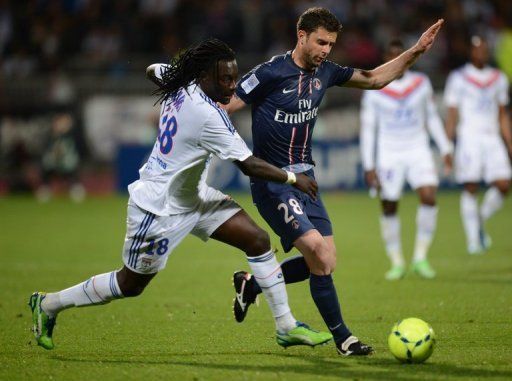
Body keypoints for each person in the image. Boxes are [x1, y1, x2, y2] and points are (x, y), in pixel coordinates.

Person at [29, 38, 332, 350]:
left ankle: (286, 326)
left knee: (257, 240)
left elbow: (152, 69)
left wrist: (177, 75)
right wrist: (294, 178)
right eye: (224, 79)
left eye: (234, 77)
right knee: (129, 284)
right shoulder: (208, 116)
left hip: (194, 197)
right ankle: (49, 303)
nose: (232, 86)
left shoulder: (184, 84)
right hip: (158, 208)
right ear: (203, 77)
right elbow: (250, 165)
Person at [224, 7, 443, 356]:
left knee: (324, 263)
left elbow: (373, 79)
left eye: (331, 44)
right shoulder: (269, 73)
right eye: (321, 42)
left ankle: (251, 287)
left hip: (306, 179)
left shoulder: (326, 72)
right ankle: (344, 338)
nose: (326, 50)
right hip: (275, 179)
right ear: (302, 36)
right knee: (319, 251)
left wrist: (415, 52)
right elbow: (225, 106)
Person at [359, 39, 453, 281]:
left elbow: (431, 117)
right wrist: (369, 165)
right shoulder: (374, 89)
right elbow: (368, 130)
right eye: (392, 57)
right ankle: (397, 261)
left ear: (407, 58)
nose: (398, 62)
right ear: (386, 60)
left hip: (417, 149)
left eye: (401, 56)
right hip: (389, 153)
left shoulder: (421, 83)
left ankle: (420, 257)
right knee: (389, 204)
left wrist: (444, 146)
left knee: (429, 196)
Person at [444, 36, 512, 255]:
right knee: (471, 186)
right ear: (471, 52)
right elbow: (452, 115)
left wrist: (509, 142)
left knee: (503, 184)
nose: (481, 53)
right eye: (477, 50)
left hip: (492, 138)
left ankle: (479, 219)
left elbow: (503, 114)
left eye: (484, 50)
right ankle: (473, 240)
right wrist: (448, 146)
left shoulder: (498, 77)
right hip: (469, 138)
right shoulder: (458, 78)